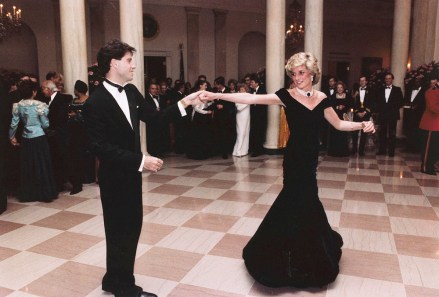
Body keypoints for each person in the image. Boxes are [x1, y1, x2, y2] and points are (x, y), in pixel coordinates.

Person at [201, 52, 374, 288]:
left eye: (301, 72)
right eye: (293, 73)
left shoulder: (322, 98)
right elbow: (251, 99)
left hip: (311, 159)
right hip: (294, 159)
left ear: (312, 73)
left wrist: (361, 125)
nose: (297, 77)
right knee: (296, 200)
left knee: (309, 200)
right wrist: (215, 94)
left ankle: (311, 252)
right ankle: (284, 256)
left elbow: (339, 123)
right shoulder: (286, 96)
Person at [83, 39, 203, 297]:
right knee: (119, 230)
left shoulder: (132, 91)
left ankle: (113, 279)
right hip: (114, 177)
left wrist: (185, 102)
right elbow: (99, 147)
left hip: (131, 176)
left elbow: (157, 118)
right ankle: (124, 287)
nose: (134, 65)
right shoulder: (95, 103)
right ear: (114, 63)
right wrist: (141, 160)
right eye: (129, 60)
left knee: (131, 227)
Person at [9, 80, 58, 202]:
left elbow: (14, 124)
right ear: (34, 92)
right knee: (42, 164)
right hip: (39, 137)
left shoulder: (17, 105)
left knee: (28, 165)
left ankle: (29, 194)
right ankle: (45, 193)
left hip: (26, 138)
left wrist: (11, 137)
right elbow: (45, 124)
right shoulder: (40, 105)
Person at [67, 80, 95, 195]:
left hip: (86, 130)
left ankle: (89, 176)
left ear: (77, 90)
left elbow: (91, 117)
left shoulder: (90, 100)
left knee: (87, 152)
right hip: (74, 131)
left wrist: (76, 115)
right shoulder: (73, 101)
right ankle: (80, 176)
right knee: (76, 153)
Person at [375, 72, 404, 157]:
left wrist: (391, 107)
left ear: (392, 79)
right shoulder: (380, 89)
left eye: (389, 78)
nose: (388, 80)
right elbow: (377, 101)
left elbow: (401, 102)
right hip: (383, 114)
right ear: (384, 80)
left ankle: (391, 151)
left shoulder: (397, 89)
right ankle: (382, 150)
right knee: (382, 133)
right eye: (386, 78)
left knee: (392, 133)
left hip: (392, 115)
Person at [419, 78, 439, 175]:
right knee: (429, 148)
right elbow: (433, 108)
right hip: (431, 123)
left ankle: (433, 165)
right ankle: (426, 167)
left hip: (436, 124)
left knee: (435, 148)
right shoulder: (432, 91)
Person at [351, 75, 375, 156]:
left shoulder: (371, 91)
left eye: (363, 80)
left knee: (364, 134)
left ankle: (361, 151)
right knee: (354, 133)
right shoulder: (355, 90)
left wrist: (365, 112)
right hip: (357, 114)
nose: (362, 82)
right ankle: (354, 150)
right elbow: (352, 103)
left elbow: (372, 103)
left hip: (366, 114)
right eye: (360, 80)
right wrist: (357, 112)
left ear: (366, 81)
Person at [327, 81, 351, 157]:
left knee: (343, 134)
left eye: (341, 87)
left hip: (344, 117)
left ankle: (343, 151)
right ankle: (334, 151)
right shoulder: (333, 96)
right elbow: (330, 106)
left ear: (343, 88)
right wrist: (337, 107)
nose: (340, 89)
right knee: (335, 133)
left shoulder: (347, 96)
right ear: (336, 88)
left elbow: (351, 104)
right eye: (338, 87)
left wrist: (345, 108)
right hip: (335, 116)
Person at [402, 77, 426, 153]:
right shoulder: (410, 89)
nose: (417, 82)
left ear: (421, 82)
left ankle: (416, 149)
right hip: (409, 114)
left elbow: (424, 103)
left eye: (418, 81)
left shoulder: (424, 91)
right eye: (416, 81)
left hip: (418, 115)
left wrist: (417, 106)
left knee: (416, 132)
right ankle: (407, 147)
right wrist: (407, 104)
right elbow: (406, 99)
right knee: (408, 131)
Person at [249, 73, 267, 157]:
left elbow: (264, 103)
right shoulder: (251, 91)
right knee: (254, 132)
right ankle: (255, 149)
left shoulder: (263, 90)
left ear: (257, 83)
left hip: (260, 116)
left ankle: (259, 150)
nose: (251, 84)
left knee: (259, 132)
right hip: (254, 115)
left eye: (252, 82)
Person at [232, 83, 251, 157]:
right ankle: (238, 151)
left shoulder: (248, 96)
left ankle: (244, 150)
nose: (242, 90)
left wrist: (246, 102)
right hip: (240, 116)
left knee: (246, 132)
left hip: (246, 116)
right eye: (240, 89)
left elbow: (247, 103)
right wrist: (246, 103)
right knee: (241, 132)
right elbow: (238, 106)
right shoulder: (238, 96)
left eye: (243, 89)